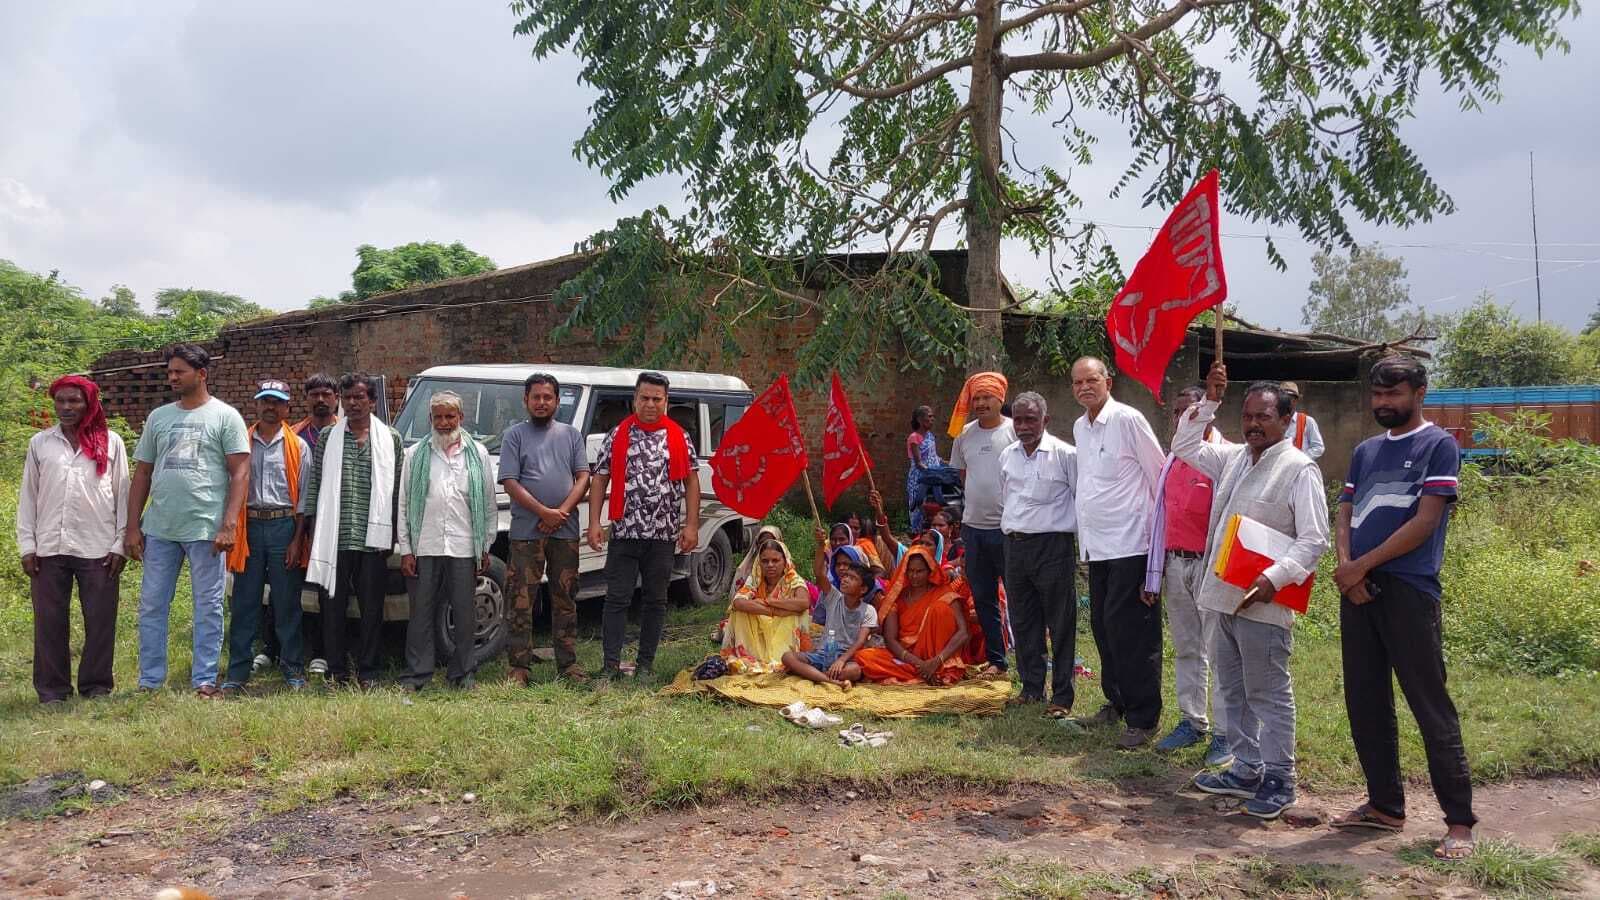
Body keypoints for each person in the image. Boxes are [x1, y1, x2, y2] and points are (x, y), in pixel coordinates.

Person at [1331, 355, 1477, 861]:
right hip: (1359, 590)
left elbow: (1425, 521)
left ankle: (1459, 822)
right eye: (1377, 395)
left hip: (1409, 591)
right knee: (1366, 701)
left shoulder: (1438, 445)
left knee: (1429, 704)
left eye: (1393, 394)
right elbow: (1346, 510)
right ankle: (1385, 806)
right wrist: (1347, 567)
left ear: (1420, 391)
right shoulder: (1366, 451)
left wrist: (1361, 565)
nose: (1383, 403)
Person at [1176, 363, 1328, 820]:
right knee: (1231, 688)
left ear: (1286, 420)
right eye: (1247, 416)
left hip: (1265, 600)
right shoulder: (1233, 457)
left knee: (1268, 691)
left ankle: (1281, 776)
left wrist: (1275, 578)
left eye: (1264, 416)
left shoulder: (1299, 469)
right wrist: (1211, 401)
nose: (1253, 424)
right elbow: (1184, 444)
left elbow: (1314, 539)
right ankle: (1245, 767)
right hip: (1221, 594)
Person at [126, 344, 250, 697]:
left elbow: (240, 472)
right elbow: (143, 473)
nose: (172, 377)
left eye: (179, 371)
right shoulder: (159, 417)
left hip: (205, 529)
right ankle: (150, 680)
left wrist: (229, 524)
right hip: (160, 527)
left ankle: (204, 679)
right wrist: (132, 526)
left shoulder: (225, 416)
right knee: (151, 604)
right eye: (170, 372)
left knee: (207, 606)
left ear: (202, 374)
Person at [1070, 357, 1167, 748]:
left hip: (1132, 544)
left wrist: (1157, 550)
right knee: (1104, 627)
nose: (1084, 388)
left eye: (1091, 380)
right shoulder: (1080, 427)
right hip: (1099, 547)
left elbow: (1159, 474)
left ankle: (1144, 718)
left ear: (1108, 381)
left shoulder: (1128, 420)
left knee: (1133, 633)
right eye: (1077, 382)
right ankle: (1117, 702)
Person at [18, 375, 129, 703]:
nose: (66, 408)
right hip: (49, 546)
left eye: (74, 401)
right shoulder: (41, 443)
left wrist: (121, 543)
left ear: (89, 404)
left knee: (100, 620)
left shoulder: (111, 442)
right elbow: (29, 497)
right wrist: (28, 545)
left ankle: (96, 687)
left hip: (99, 547)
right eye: (61, 401)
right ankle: (53, 691)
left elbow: (122, 494)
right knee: (49, 621)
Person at [588, 371, 701, 682]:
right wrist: (594, 522)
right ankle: (610, 665)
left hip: (663, 535)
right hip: (624, 532)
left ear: (666, 401)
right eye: (644, 398)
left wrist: (691, 525)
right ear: (634, 399)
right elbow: (600, 477)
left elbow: (692, 481)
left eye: (657, 399)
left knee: (655, 600)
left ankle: (645, 666)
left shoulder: (679, 436)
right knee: (617, 599)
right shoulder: (618, 434)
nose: (650, 404)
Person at [1144, 386, 1232, 765]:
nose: (1182, 418)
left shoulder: (1224, 457)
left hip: (1212, 565)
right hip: (1176, 564)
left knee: (1221, 650)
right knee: (1187, 648)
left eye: (1190, 411)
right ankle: (1192, 721)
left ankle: (1228, 734)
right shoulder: (1171, 461)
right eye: (1177, 411)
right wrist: (1155, 573)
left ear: (1208, 413)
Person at [299, 372, 403, 689]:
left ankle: (368, 670)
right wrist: (315, 533)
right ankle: (336, 669)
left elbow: (396, 491)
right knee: (332, 606)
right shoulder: (329, 438)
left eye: (360, 397)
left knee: (372, 608)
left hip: (373, 540)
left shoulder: (391, 438)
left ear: (372, 401)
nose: (354, 403)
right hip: (335, 538)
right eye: (348, 398)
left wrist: (394, 536)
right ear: (341, 402)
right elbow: (315, 487)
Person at [396, 391, 496, 691]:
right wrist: (406, 549)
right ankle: (418, 674)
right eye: (438, 417)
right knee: (421, 613)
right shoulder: (415, 454)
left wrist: (485, 544)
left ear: (460, 418)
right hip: (425, 546)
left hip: (465, 545)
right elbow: (403, 505)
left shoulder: (477, 454)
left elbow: (488, 503)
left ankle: (463, 672)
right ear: (430, 419)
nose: (443, 422)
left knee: (464, 612)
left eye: (449, 416)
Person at [500, 372, 591, 685]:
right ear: (526, 400)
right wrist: (543, 512)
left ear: (556, 401)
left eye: (547, 397)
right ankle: (519, 667)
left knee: (565, 597)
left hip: (564, 531)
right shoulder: (515, 435)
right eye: (535, 397)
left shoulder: (571, 435)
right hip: (527, 531)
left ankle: (568, 665)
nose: (541, 402)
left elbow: (583, 477)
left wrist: (560, 512)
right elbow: (511, 481)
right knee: (520, 598)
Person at [222, 380, 313, 694]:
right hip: (249, 527)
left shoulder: (298, 447)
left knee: (287, 603)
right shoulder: (240, 443)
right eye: (265, 401)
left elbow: (303, 500)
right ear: (256, 405)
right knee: (245, 602)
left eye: (277, 402)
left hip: (283, 526)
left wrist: (296, 539)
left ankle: (292, 669)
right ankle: (237, 672)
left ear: (287, 408)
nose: (270, 407)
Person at [998, 392, 1079, 716]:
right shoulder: (1007, 456)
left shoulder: (1065, 455)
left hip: (1053, 546)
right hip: (1015, 547)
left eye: (1030, 419)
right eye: (1018, 419)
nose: (1023, 426)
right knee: (1023, 620)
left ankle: (1062, 696)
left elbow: (1080, 498)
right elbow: (1008, 499)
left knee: (1060, 622)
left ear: (1045, 420)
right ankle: (1031, 689)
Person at [948, 371, 1015, 678]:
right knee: (984, 597)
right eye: (976, 398)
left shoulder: (1015, 431)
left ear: (1000, 398)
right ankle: (997, 661)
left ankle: (1029, 660)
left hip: (1009, 530)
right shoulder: (964, 435)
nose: (981, 403)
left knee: (1018, 596)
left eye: (987, 397)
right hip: (974, 530)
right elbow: (963, 477)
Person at [279, 373, 339, 677]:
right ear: (306, 399)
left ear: (336, 398)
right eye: (314, 394)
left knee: (328, 588)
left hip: (334, 522)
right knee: (293, 585)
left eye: (326, 394)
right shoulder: (295, 435)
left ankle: (323, 651)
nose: (320, 400)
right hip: (298, 520)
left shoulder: (347, 432)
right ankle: (281, 647)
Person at [855, 544, 969, 685]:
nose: (914, 576)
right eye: (910, 571)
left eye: (919, 571)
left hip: (939, 659)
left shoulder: (944, 594)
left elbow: (963, 633)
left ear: (930, 571)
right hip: (907, 659)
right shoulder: (898, 597)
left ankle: (935, 671)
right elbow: (890, 640)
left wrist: (936, 661)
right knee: (863, 657)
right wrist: (920, 664)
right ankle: (924, 673)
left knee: (939, 608)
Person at [782, 548, 876, 689]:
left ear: (863, 589)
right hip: (822, 654)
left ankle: (814, 675)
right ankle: (831, 680)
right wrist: (820, 545)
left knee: (855, 670)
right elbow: (819, 574)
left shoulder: (869, 610)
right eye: (846, 576)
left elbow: (860, 641)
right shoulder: (834, 597)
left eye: (852, 578)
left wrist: (841, 661)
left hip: (847, 658)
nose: (845, 579)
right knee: (787, 657)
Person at [721, 538, 811, 672]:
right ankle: (750, 656)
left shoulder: (792, 579)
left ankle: (781, 657)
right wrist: (774, 611)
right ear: (759, 562)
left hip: (784, 625)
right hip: (764, 624)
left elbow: (804, 603)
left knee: (800, 613)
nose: (770, 565)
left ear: (785, 560)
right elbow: (738, 602)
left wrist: (774, 602)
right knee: (738, 612)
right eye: (765, 561)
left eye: (775, 560)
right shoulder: (756, 578)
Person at [906, 405, 960, 531]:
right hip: (920, 477)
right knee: (918, 507)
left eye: (932, 416)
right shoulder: (914, 438)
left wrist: (948, 464)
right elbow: (919, 463)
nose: (932, 419)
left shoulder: (930, 436)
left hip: (934, 476)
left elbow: (934, 457)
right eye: (929, 416)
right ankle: (917, 532)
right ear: (920, 420)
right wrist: (934, 472)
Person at [1279, 382, 1325, 461]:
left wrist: (1300, 459)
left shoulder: (1307, 421)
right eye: (1283, 399)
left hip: (1301, 469)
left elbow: (1318, 447)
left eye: (1290, 399)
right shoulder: (1274, 421)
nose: (1286, 402)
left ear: (1296, 400)